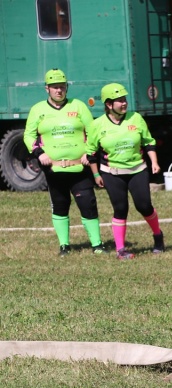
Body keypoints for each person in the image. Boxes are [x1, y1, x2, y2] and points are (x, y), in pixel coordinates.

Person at [23, 69, 105, 257]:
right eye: (54, 87)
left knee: (88, 204)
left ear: (67, 87)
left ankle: (97, 245)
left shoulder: (78, 106)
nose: (59, 90)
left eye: (62, 87)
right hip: (54, 168)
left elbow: (92, 131)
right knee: (60, 204)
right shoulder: (37, 110)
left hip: (80, 168)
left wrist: (89, 152)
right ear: (47, 89)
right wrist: (39, 153)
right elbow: (29, 135)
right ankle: (64, 246)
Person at [86, 83, 164, 260]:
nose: (124, 103)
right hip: (111, 172)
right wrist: (96, 174)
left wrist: (154, 162)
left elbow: (148, 142)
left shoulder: (136, 118)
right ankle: (120, 250)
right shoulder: (97, 124)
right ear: (108, 104)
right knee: (120, 208)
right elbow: (91, 153)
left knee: (144, 206)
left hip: (138, 169)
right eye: (119, 100)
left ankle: (158, 236)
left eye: (124, 99)